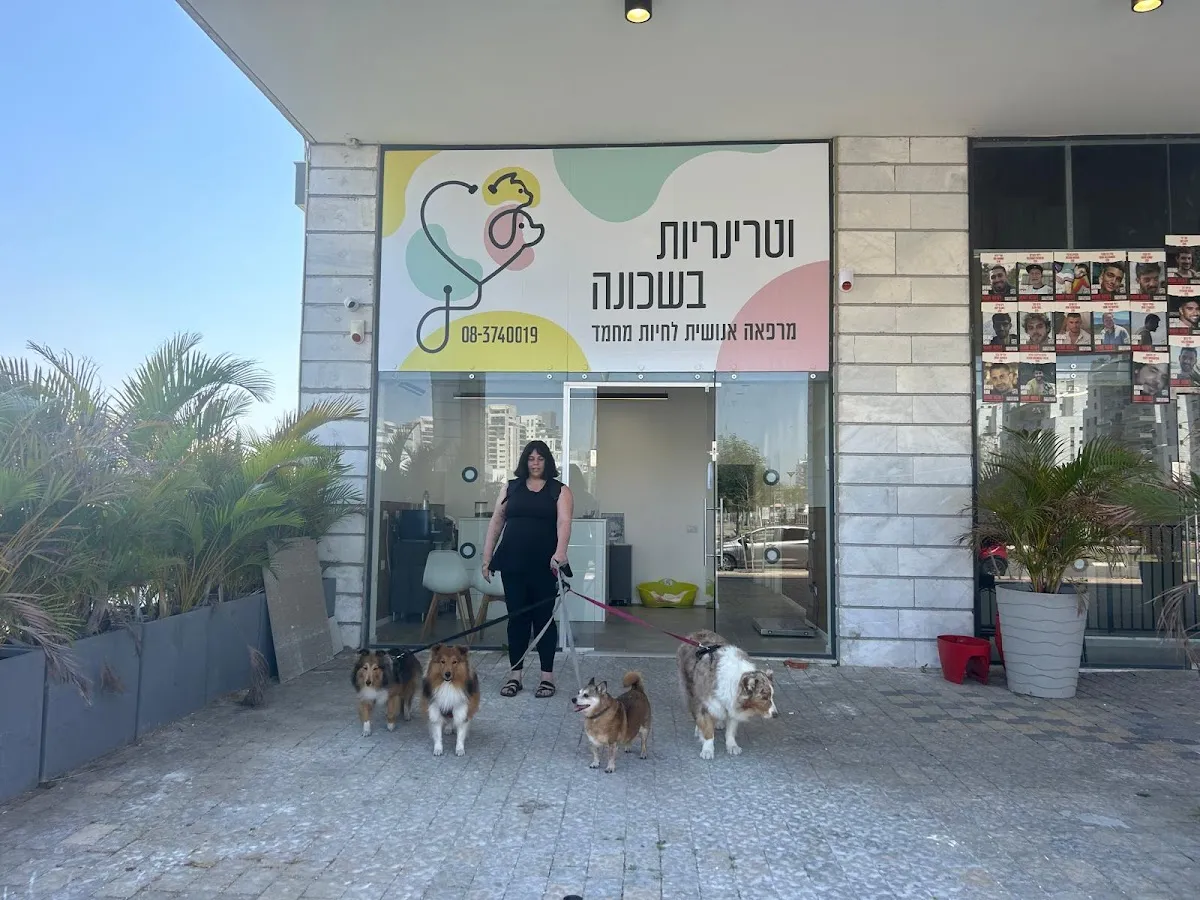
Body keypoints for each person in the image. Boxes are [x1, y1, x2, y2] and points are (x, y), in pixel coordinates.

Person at [482, 440, 574, 699]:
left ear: (547, 461)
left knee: (544, 619)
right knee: (517, 620)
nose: (535, 463)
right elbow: (497, 521)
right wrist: (487, 558)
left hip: (545, 565)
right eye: (531, 458)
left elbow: (564, 522)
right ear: (525, 461)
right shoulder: (511, 488)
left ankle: (547, 678)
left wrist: (560, 552)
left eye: (540, 458)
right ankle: (515, 675)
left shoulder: (559, 490)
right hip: (513, 563)